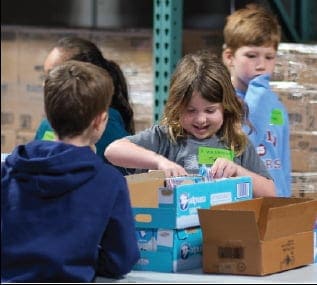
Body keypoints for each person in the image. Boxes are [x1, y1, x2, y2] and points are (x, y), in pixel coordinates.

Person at [1, 60, 140, 282]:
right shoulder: (109, 182)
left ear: (47, 113)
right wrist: (83, 257)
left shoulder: (9, 170)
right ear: (100, 121)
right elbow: (121, 258)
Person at [105, 51, 276, 198]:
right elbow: (113, 151)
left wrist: (238, 172)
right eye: (190, 111)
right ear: (177, 107)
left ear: (225, 108)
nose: (201, 119)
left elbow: (270, 192)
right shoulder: (166, 137)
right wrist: (159, 162)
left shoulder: (236, 143)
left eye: (210, 111)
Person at [34, 36, 135, 174]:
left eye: (53, 75)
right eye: (45, 76)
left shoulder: (108, 126)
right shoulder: (46, 125)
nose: (44, 84)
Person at [222, 4, 291, 197]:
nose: (261, 65)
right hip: (241, 206)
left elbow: (283, 164)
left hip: (275, 208)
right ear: (230, 57)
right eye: (251, 56)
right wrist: (256, 103)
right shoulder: (219, 105)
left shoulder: (276, 106)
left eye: (269, 57)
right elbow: (236, 151)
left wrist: (287, 203)